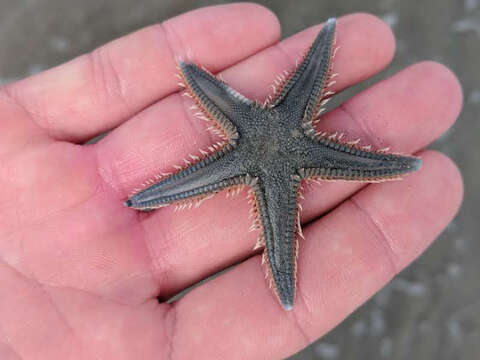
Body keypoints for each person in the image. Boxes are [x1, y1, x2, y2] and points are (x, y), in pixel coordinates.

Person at [0, 4, 463, 359]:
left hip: (270, 148)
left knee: (295, 231)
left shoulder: (275, 137)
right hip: (264, 148)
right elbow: (208, 89)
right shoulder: (263, 132)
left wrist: (388, 164)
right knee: (283, 235)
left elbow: (216, 85)